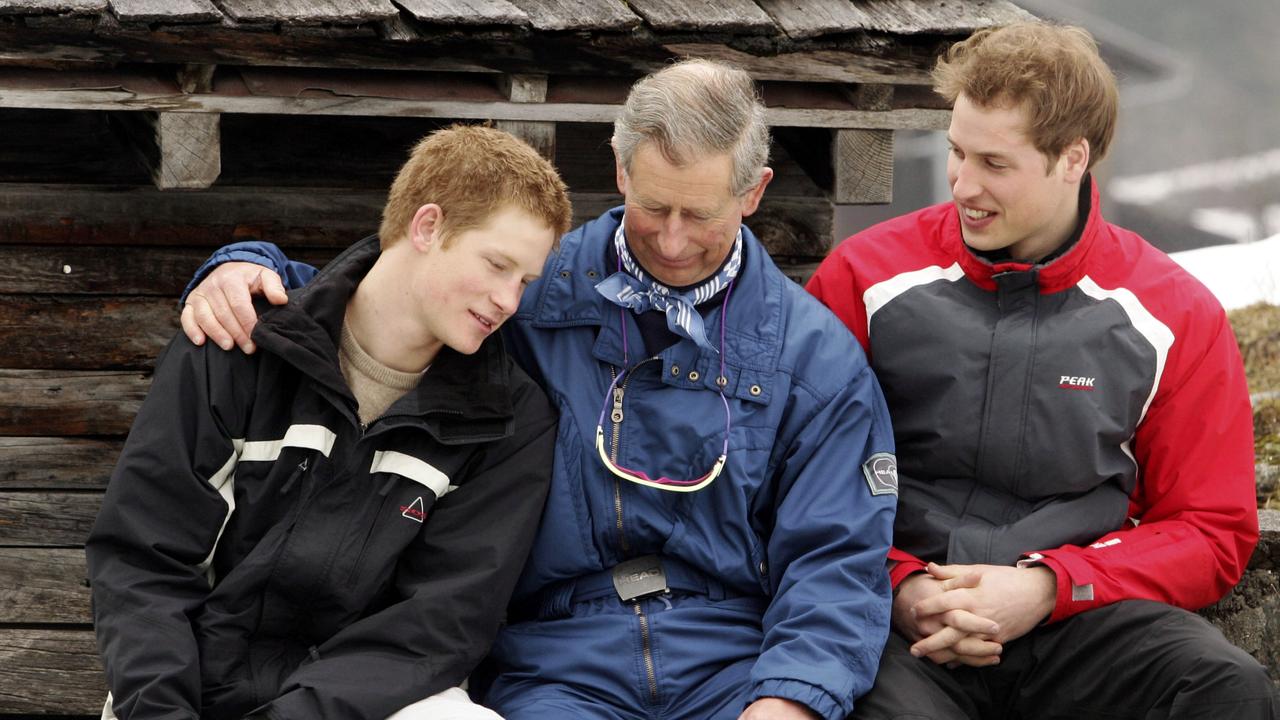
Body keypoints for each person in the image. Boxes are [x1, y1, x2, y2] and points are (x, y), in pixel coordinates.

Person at [177, 60, 898, 720]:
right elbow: (387, 299)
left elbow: (837, 560)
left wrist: (791, 699)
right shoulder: (529, 290)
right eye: (654, 207)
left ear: (755, 191)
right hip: (553, 660)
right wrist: (247, 264)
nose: (673, 241)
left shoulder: (814, 359)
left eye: (701, 215)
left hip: (737, 660)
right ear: (618, 169)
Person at [807, 22, 1277, 719]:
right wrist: (901, 588)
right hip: (899, 621)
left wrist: (1052, 588)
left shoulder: (1173, 313)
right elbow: (801, 476)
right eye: (956, 153)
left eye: (995, 164)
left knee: (1224, 691)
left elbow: (1211, 528)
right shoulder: (865, 277)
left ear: (1071, 159)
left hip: (1080, 617)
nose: (963, 185)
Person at [86, 125, 572, 720]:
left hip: (366, 705)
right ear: (427, 226)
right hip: (180, 690)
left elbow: (437, 627)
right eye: (497, 265)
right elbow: (144, 560)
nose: (508, 301)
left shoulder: (511, 422)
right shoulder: (236, 345)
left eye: (523, 281)